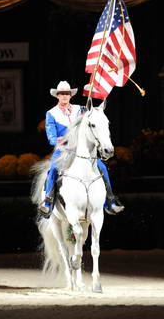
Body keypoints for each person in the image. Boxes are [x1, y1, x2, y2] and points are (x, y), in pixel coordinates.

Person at [39, 81, 124, 217]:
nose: (65, 96)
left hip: (81, 149)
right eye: (62, 94)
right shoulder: (51, 113)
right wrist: (58, 140)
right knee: (54, 168)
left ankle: (110, 200)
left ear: (70, 95)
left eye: (67, 93)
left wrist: (91, 91)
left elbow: (93, 113)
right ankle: (48, 202)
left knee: (102, 167)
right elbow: (51, 136)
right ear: (57, 96)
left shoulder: (80, 109)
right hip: (63, 149)